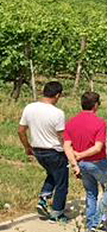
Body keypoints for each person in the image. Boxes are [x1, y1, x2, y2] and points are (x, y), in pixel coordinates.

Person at [63, 92, 107, 232]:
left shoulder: (71, 122)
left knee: (91, 193)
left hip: (82, 165)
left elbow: (67, 146)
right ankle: (97, 222)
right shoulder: (100, 122)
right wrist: (81, 154)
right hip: (97, 163)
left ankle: (91, 224)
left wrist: (75, 164)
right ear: (96, 105)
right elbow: (98, 147)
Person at [18, 81, 69, 223]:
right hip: (54, 152)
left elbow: (21, 130)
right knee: (62, 183)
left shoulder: (29, 108)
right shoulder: (58, 113)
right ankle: (57, 213)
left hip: (38, 151)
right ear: (57, 95)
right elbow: (61, 136)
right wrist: (69, 152)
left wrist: (27, 147)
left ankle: (43, 199)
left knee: (52, 174)